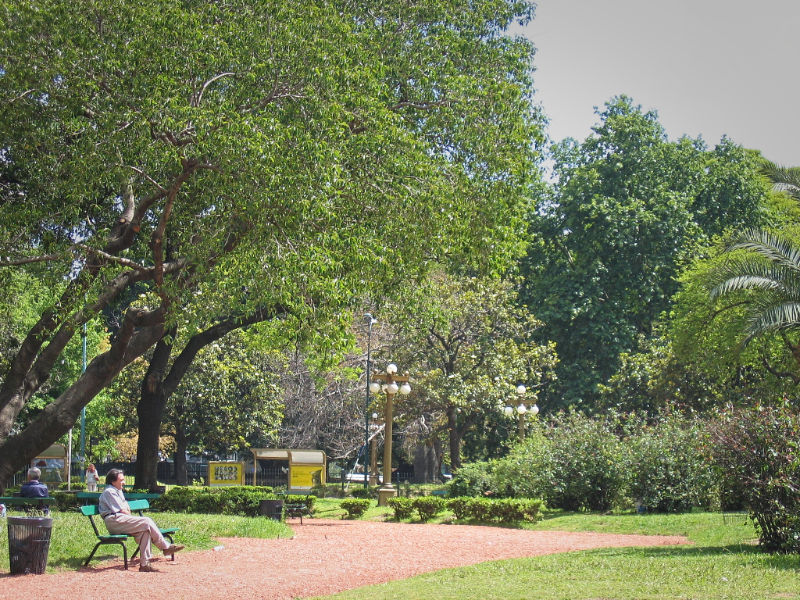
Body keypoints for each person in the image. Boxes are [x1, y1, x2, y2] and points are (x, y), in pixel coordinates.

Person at [99, 469, 184, 572]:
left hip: (120, 519)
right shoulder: (109, 492)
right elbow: (123, 511)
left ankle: (144, 564)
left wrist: (125, 510)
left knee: (145, 531)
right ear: (113, 481)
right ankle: (165, 547)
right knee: (146, 521)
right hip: (114, 521)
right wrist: (125, 510)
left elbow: (126, 510)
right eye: (121, 480)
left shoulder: (118, 491)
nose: (124, 482)